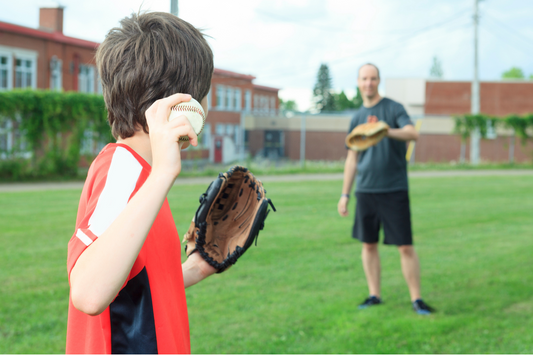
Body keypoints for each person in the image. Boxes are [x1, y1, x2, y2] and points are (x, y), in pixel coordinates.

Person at [66, 12, 217, 353]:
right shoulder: (124, 171)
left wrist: (194, 270)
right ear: (183, 106)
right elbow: (88, 291)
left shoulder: (142, 175)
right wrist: (164, 173)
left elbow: (135, 287)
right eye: (203, 95)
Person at [337, 63, 435, 315]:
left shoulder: (393, 108)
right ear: (358, 82)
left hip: (394, 189)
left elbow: (412, 133)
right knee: (368, 244)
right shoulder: (357, 118)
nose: (368, 83)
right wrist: (345, 194)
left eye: (373, 78)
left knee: (405, 246)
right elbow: (351, 159)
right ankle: (374, 295)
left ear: (379, 80)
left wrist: (385, 130)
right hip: (366, 190)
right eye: (364, 78)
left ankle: (417, 299)